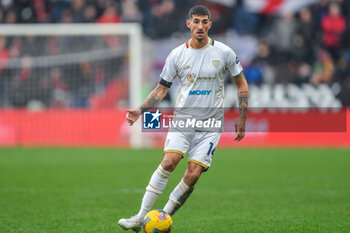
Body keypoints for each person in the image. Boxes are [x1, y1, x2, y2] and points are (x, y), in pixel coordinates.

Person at [118, 5, 248, 232]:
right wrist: (140, 110)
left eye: (204, 22)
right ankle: (140, 218)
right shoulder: (177, 55)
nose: (200, 26)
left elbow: (241, 83)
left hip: (210, 124)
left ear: (210, 24)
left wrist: (242, 116)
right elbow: (161, 89)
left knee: (194, 173)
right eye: (195, 21)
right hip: (183, 119)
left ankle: (162, 217)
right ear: (188, 24)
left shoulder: (224, 53)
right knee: (169, 161)